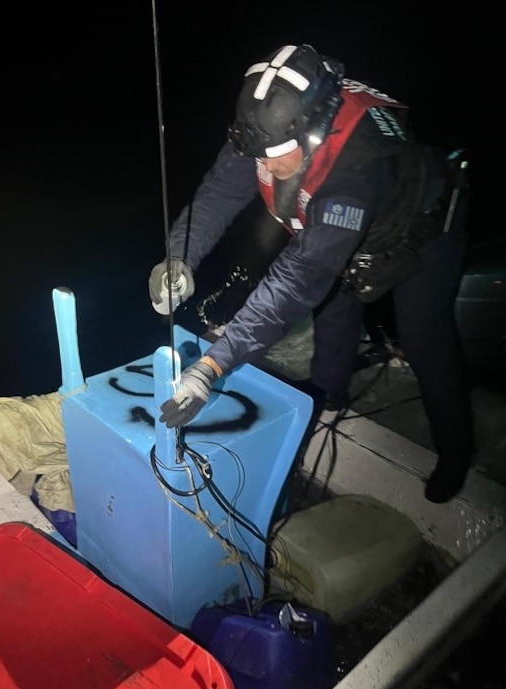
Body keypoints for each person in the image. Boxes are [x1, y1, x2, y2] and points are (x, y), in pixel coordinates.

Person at [148, 44, 473, 504]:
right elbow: (219, 193)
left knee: (425, 339)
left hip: (423, 234)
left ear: (315, 128)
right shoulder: (265, 129)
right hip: (338, 234)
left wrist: (213, 364)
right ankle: (330, 399)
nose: (267, 168)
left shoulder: (355, 171)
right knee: (333, 316)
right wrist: (178, 257)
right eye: (259, 155)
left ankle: (456, 454)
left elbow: (300, 276)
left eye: (277, 157)